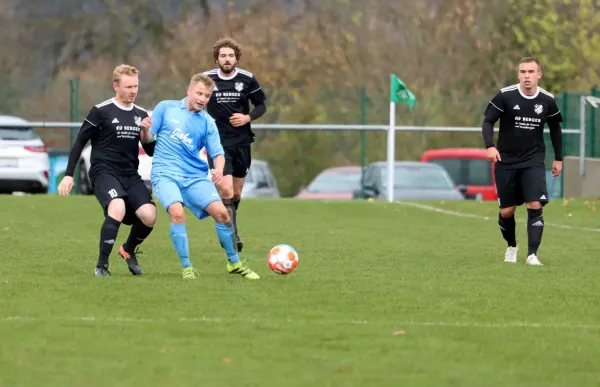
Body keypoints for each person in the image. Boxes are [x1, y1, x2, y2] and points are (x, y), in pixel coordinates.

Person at [148, 72, 260, 280]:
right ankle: (187, 267)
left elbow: (218, 153)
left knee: (223, 214)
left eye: (207, 96)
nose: (202, 99)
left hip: (194, 176)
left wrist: (218, 168)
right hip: (165, 174)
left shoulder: (208, 122)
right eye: (199, 93)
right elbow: (147, 138)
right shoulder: (166, 108)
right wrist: (145, 131)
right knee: (177, 213)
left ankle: (234, 263)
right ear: (188, 91)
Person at [58, 64, 157, 277]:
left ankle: (128, 250)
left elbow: (150, 150)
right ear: (116, 86)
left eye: (136, 86)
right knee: (118, 208)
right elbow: (79, 142)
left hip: (130, 174)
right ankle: (102, 265)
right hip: (104, 172)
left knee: (149, 216)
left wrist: (146, 132)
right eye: (128, 86)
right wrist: (68, 175)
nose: (133, 91)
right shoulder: (101, 111)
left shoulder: (140, 114)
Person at [482, 57, 563, 266]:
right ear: (518, 74)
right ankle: (511, 246)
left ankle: (532, 255)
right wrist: (489, 145)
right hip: (506, 160)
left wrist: (559, 158)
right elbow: (488, 120)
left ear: (539, 75)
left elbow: (555, 129)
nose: (527, 75)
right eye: (523, 72)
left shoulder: (547, 99)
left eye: (531, 71)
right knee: (507, 211)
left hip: (533, 160)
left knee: (534, 204)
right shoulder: (505, 96)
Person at [203, 37, 267, 252]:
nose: (227, 59)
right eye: (223, 56)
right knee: (226, 189)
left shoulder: (247, 79)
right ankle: (231, 234)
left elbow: (261, 105)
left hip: (241, 142)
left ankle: (228, 221)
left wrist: (247, 118)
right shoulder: (207, 79)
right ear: (217, 59)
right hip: (217, 144)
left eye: (231, 56)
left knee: (236, 193)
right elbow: (195, 102)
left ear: (237, 58)